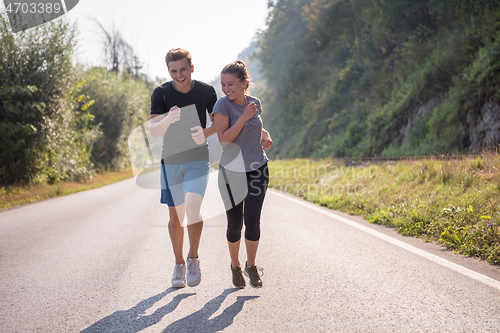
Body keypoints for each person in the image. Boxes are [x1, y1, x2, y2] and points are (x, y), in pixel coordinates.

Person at [149, 48, 217, 288]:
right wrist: (168, 119)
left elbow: (220, 119)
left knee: (193, 207)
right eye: (173, 71)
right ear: (169, 71)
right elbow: (154, 130)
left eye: (183, 69)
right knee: (176, 218)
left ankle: (193, 257)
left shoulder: (206, 91)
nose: (179, 75)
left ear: (192, 68)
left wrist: (206, 133)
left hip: (198, 158)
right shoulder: (162, 93)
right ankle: (179, 264)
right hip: (171, 161)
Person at [212, 60, 273, 288]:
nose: (226, 89)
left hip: (258, 169)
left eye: (231, 84)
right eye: (223, 85)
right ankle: (235, 265)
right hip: (231, 173)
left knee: (253, 220)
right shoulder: (222, 106)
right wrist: (245, 117)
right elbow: (225, 139)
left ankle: (251, 265)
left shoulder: (254, 103)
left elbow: (255, 127)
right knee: (235, 223)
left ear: (244, 83)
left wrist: (264, 135)